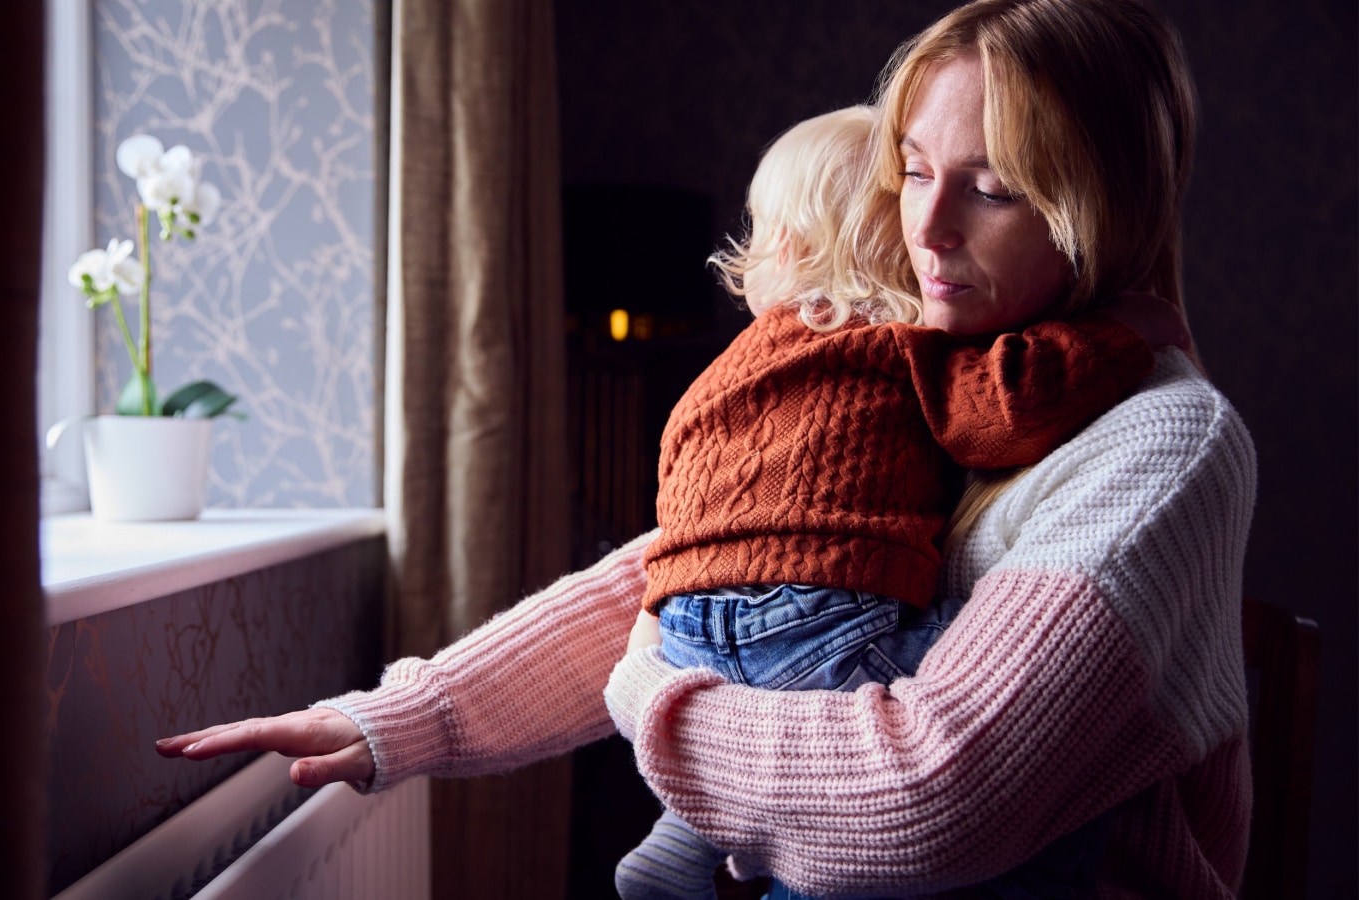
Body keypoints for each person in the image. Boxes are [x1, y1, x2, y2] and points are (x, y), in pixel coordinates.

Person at [158, 1, 1255, 896]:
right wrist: (400, 718)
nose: (925, 230)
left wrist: (649, 696)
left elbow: (920, 802)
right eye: (914, 170)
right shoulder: (941, 365)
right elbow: (700, 571)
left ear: (1096, 209)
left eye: (994, 186)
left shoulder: (1159, 441)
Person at [612, 104, 1167, 900]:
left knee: (762, 692)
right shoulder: (892, 342)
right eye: (914, 183)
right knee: (1050, 739)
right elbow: (1001, 412)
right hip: (812, 612)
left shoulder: (728, 369)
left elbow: (684, 505)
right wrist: (1125, 334)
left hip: (682, 627)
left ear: (787, 248)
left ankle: (688, 827)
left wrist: (659, 635)